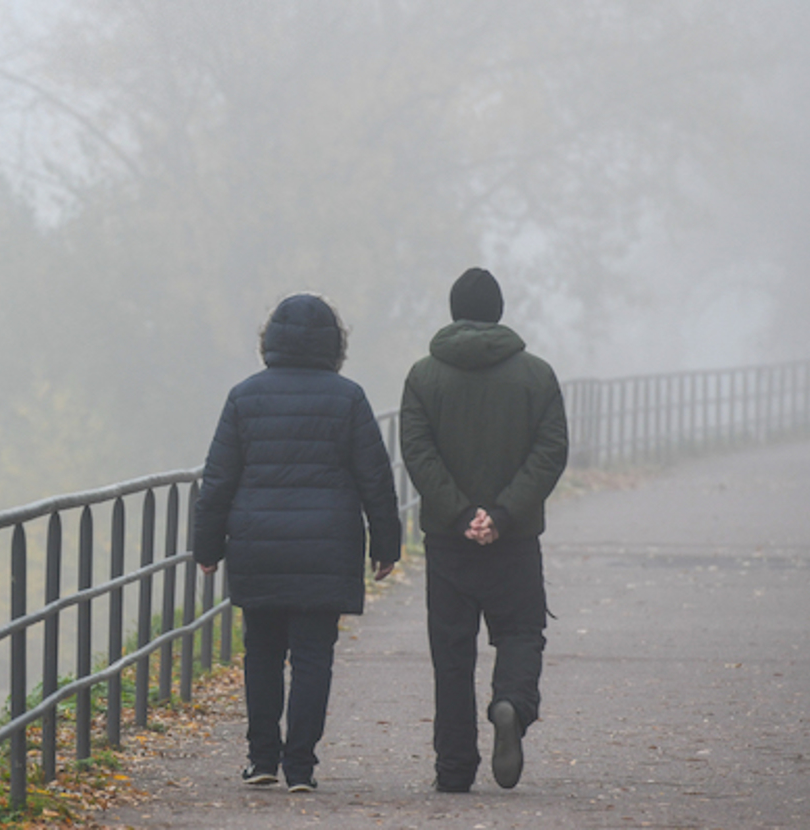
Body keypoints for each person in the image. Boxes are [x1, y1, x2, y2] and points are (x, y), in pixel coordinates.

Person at [193, 293, 402, 794]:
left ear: (270, 339)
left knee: (262, 653)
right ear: (335, 343)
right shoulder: (348, 398)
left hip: (259, 544)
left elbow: (218, 480)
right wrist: (386, 544)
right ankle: (301, 767)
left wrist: (207, 547)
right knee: (313, 657)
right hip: (325, 547)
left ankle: (262, 758)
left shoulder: (244, 397)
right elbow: (375, 479)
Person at [399, 267, 568, 793]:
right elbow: (550, 452)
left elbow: (418, 454)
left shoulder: (423, 377)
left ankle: (454, 768)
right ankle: (510, 703)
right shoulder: (536, 376)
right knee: (520, 632)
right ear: (498, 312)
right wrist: (502, 514)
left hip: (449, 543)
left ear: (454, 312)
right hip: (514, 540)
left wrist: (460, 514)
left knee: (451, 653)